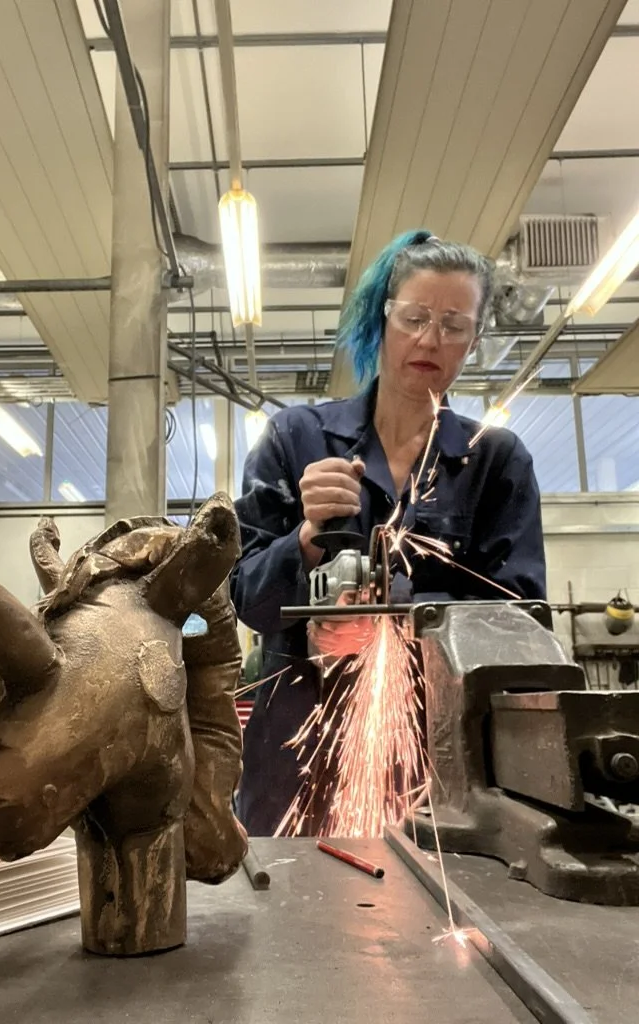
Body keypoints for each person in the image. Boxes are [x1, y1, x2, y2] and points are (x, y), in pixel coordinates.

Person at [230, 229, 547, 837]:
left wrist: (396, 616)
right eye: (416, 317)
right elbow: (247, 598)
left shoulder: (496, 460)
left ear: (475, 340)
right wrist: (302, 537)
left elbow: (521, 622)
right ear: (386, 318)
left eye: (454, 325)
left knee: (435, 919)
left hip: (440, 764)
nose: (431, 339)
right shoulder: (296, 439)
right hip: (297, 761)